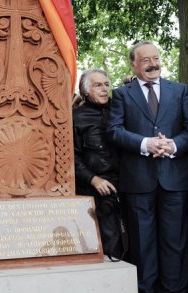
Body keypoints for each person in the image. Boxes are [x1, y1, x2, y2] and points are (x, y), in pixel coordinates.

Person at [107, 40, 188, 293]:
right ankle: (146, 289)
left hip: (174, 180)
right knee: (142, 243)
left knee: (174, 242)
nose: (153, 64)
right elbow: (114, 131)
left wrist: (173, 146)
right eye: (145, 60)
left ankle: (174, 289)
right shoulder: (122, 94)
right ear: (134, 65)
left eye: (155, 58)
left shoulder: (180, 91)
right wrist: (146, 143)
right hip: (138, 181)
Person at [73, 69, 123, 260]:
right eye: (97, 85)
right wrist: (93, 179)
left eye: (106, 84)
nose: (104, 89)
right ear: (85, 91)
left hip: (127, 186)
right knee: (109, 245)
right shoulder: (76, 118)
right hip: (96, 191)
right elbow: (72, 157)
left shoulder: (120, 110)